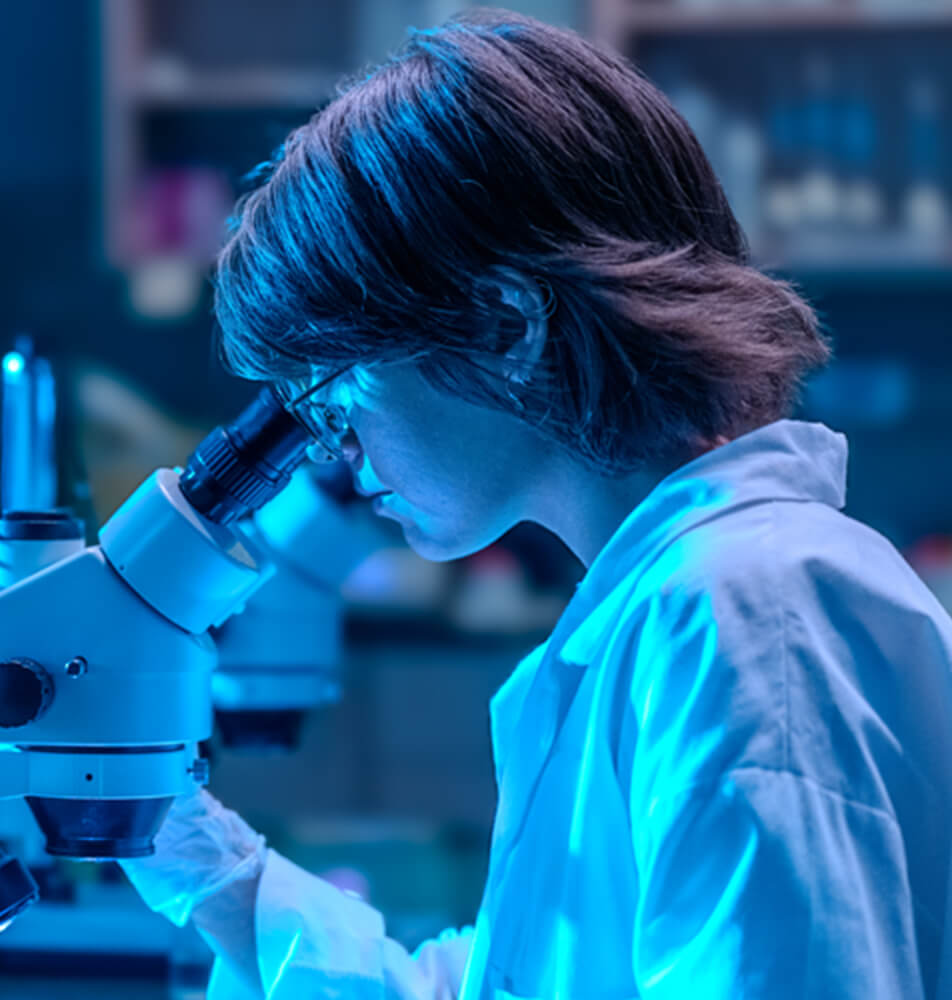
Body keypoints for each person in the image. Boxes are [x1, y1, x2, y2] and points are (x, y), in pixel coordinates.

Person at [119, 10, 952, 999]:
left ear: (507, 325)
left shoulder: (745, 615)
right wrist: (207, 867)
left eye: (342, 391)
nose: (334, 450)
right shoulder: (682, 606)